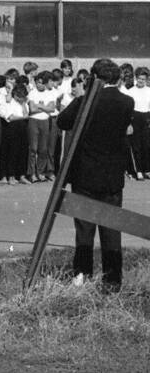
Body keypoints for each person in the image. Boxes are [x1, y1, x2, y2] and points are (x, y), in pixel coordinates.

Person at [57, 59, 134, 292]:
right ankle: (112, 280)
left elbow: (62, 121)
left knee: (85, 228)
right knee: (111, 229)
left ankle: (82, 274)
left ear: (94, 78)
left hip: (85, 174)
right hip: (111, 175)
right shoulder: (126, 102)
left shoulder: (85, 101)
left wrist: (81, 95)